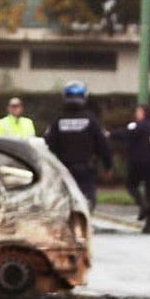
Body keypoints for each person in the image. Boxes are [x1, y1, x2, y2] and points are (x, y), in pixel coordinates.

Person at [43, 81, 112, 209]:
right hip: (85, 168)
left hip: (63, 168)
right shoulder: (91, 119)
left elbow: (48, 144)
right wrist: (108, 166)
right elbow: (103, 144)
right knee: (87, 199)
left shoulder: (58, 119)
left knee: (62, 199)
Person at [114, 104, 150, 232]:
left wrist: (110, 134)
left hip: (140, 162)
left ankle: (143, 205)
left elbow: (126, 133)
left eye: (138, 112)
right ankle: (149, 225)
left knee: (131, 184)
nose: (137, 114)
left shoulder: (139, 125)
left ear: (144, 113)